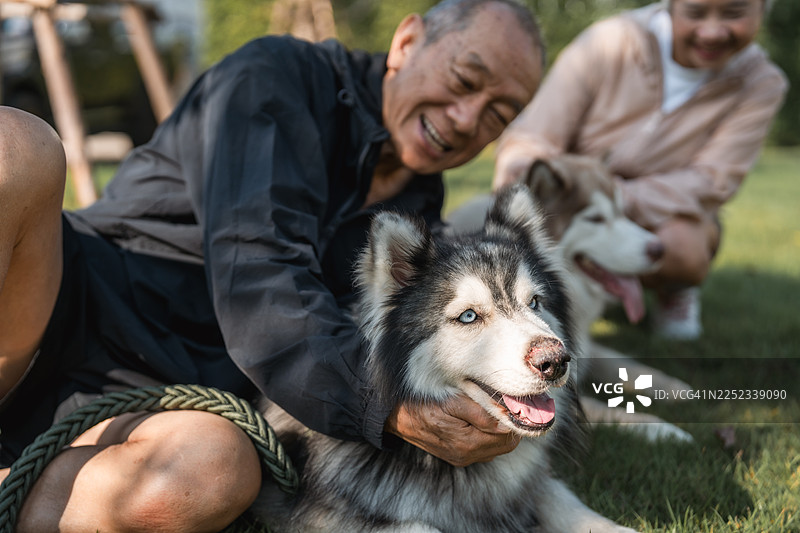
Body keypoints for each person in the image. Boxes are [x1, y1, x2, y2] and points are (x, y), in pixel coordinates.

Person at [0, 0, 544, 530]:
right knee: (17, 147)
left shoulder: (419, 223)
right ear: (406, 43)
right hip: (56, 305)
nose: (467, 117)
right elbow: (257, 275)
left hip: (154, 408)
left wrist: (620, 388)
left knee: (215, 471)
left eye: (497, 113)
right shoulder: (273, 80)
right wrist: (387, 403)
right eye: (464, 80)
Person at [493, 0, 786, 340]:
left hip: (663, 211)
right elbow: (534, 136)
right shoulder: (610, 42)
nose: (712, 32)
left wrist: (614, 195)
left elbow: (712, 179)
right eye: (695, 13)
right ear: (671, 7)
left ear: (763, 10)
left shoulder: (762, 83)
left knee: (683, 249)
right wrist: (528, 193)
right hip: (571, 201)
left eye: (733, 14)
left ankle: (672, 288)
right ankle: (573, 283)